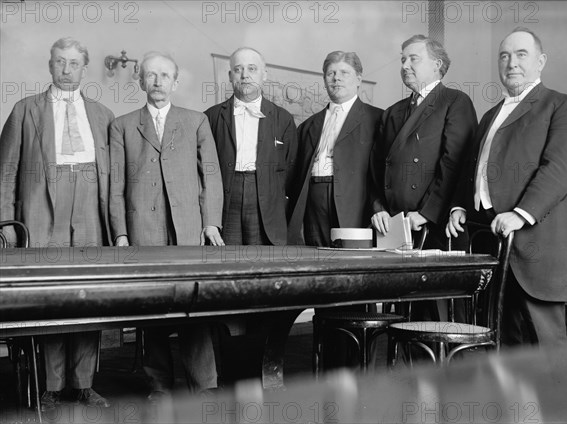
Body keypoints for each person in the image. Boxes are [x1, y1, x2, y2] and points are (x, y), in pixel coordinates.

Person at [446, 28, 567, 346]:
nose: (512, 63)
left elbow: (562, 169)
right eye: (505, 56)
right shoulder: (490, 115)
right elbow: (473, 169)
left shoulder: (561, 106)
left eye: (521, 54)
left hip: (537, 244)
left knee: (545, 348)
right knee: (503, 345)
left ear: (541, 61)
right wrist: (460, 207)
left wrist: (521, 214)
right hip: (492, 246)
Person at [0, 37, 112, 410]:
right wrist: (8, 225)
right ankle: (50, 386)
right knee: (51, 298)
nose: (67, 69)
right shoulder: (24, 110)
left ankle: (83, 384)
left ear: (85, 67)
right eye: (60, 62)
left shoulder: (102, 114)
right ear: (50, 66)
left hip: (89, 208)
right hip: (41, 212)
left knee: (88, 297)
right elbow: (6, 174)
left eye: (74, 63)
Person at [109, 52, 224, 400]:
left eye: (164, 75)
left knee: (196, 307)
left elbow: (212, 177)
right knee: (153, 308)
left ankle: (204, 385)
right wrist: (120, 232)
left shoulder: (196, 121)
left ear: (175, 82)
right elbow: (115, 185)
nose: (157, 81)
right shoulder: (122, 125)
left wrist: (211, 224)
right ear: (141, 81)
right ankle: (159, 386)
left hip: (190, 229)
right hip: (143, 230)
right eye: (150, 75)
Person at [370, 35, 477, 250]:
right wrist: (377, 208)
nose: (405, 66)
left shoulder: (454, 101)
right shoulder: (392, 112)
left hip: (436, 226)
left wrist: (426, 213)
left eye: (413, 59)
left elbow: (454, 165)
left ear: (437, 65)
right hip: (393, 225)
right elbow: (375, 168)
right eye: (403, 60)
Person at [204, 47, 297, 246]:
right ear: (230, 76)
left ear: (264, 74)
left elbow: (290, 170)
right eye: (238, 69)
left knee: (261, 262)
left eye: (252, 69)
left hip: (266, 200)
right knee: (225, 260)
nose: (245, 75)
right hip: (225, 198)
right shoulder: (210, 117)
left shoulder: (283, 119)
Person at [288, 51, 382, 246]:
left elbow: (383, 173)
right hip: (313, 200)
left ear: (358, 79)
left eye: (344, 73)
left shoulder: (378, 119)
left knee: (351, 261)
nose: (336, 78)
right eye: (331, 73)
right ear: (324, 80)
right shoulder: (307, 126)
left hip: (355, 201)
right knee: (317, 258)